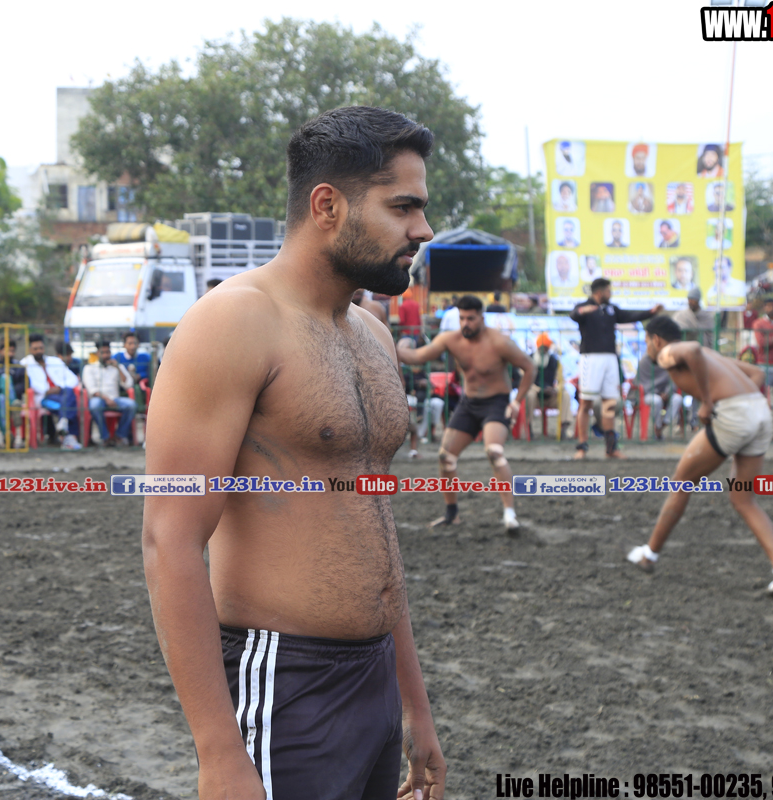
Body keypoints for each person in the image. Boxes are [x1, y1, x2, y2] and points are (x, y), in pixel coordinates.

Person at [142, 106, 445, 800]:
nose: (423, 229)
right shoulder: (234, 321)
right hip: (284, 683)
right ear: (327, 206)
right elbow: (170, 541)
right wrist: (220, 752)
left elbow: (373, 527)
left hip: (375, 679)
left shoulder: (371, 333)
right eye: (403, 207)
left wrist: (414, 704)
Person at [626, 316, 773, 597]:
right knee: (743, 499)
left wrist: (708, 401)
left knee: (681, 483)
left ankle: (649, 555)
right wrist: (740, 403)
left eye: (646, 342)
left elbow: (691, 349)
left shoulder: (669, 352)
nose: (647, 348)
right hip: (760, 413)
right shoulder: (711, 355)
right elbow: (757, 373)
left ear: (656, 340)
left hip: (734, 415)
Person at [398, 295, 536, 531]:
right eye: (462, 318)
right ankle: (452, 514)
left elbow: (529, 367)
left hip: (496, 403)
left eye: (470, 319)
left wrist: (516, 402)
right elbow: (417, 357)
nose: (465, 324)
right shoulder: (451, 339)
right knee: (445, 457)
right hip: (468, 404)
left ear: (481, 317)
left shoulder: (499, 342)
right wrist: (396, 345)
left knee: (494, 452)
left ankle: (509, 514)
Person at [570, 278, 662, 459]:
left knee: (610, 403)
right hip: (591, 358)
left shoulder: (611, 309)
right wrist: (583, 311)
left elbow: (630, 316)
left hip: (611, 359)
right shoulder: (584, 307)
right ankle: (582, 447)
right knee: (586, 403)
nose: (610, 294)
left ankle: (611, 449)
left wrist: (651, 312)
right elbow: (573, 315)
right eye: (608, 291)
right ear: (599, 292)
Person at [21, 333, 82, 450]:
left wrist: (59, 387)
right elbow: (31, 384)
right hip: (44, 397)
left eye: (41, 348)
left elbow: (72, 379)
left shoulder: (55, 361)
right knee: (69, 405)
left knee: (69, 391)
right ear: (30, 350)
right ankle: (69, 436)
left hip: (61, 393)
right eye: (35, 349)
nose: (39, 351)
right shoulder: (25, 364)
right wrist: (47, 390)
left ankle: (64, 423)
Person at [82, 340, 136, 446]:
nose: (106, 355)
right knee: (94, 405)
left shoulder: (117, 366)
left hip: (115, 399)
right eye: (103, 353)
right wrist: (106, 399)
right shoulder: (89, 368)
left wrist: (118, 368)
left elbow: (128, 384)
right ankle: (105, 437)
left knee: (132, 405)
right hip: (99, 399)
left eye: (108, 352)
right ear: (97, 354)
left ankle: (119, 436)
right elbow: (92, 389)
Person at [525, 332, 570, 439]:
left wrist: (555, 389)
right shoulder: (529, 360)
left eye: (546, 348)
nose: (544, 350)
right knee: (530, 395)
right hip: (536, 395)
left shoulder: (555, 362)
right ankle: (529, 427)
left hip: (550, 396)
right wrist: (538, 389)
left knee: (565, 395)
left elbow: (561, 381)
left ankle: (564, 427)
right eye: (542, 348)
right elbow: (525, 381)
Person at [629, 351, 682, 440]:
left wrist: (667, 392)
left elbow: (673, 380)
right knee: (657, 400)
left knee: (678, 399)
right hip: (647, 394)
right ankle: (657, 426)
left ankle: (662, 426)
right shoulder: (645, 361)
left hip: (665, 394)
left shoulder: (666, 360)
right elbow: (641, 383)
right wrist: (657, 393)